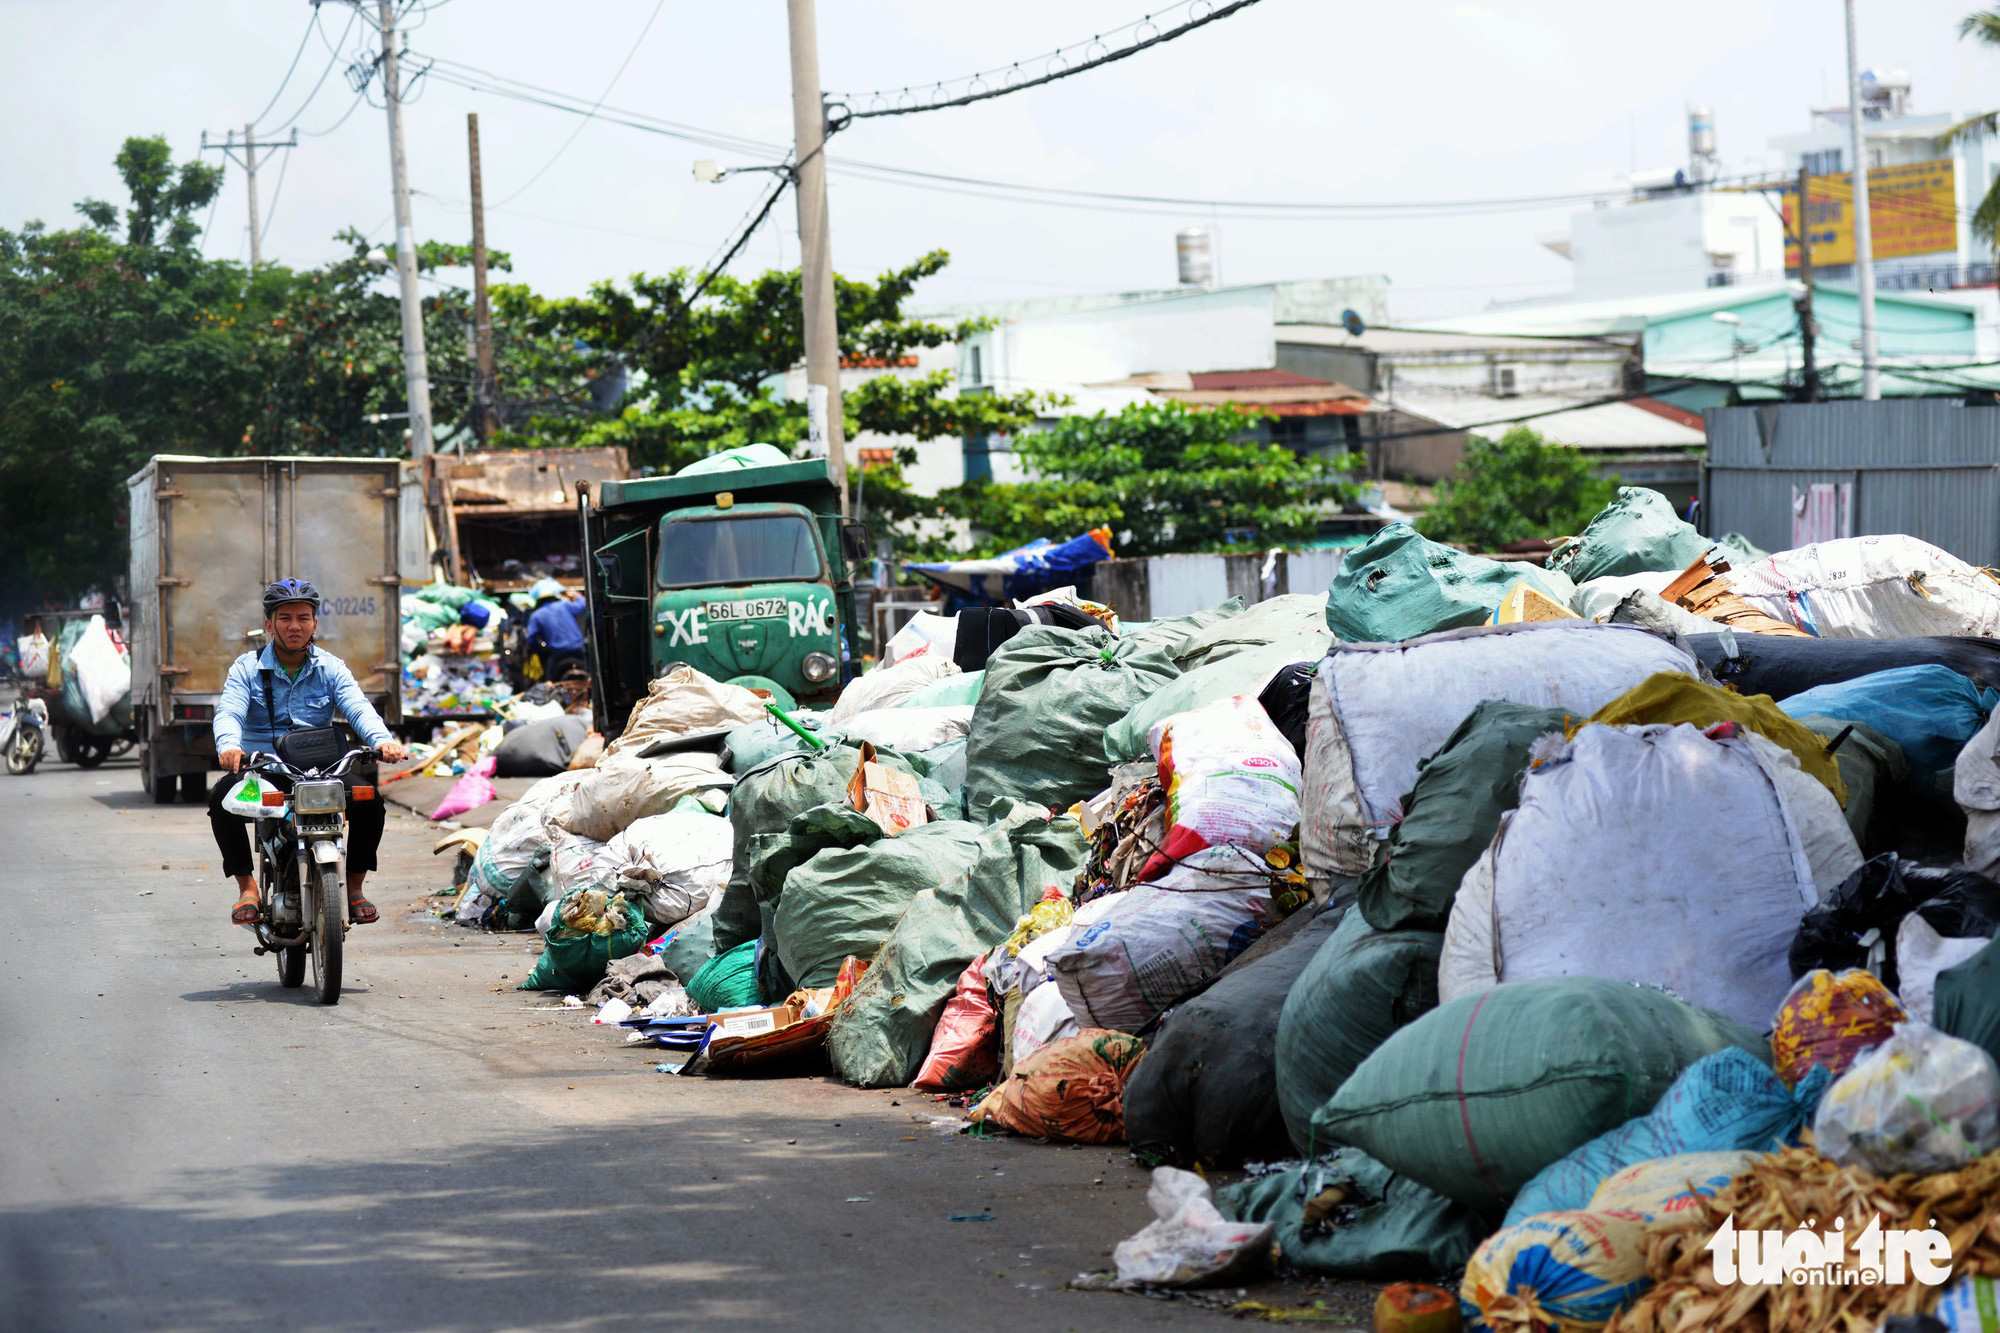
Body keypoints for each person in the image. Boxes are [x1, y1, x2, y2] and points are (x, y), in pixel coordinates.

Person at [209, 579, 408, 926]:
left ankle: (354, 888)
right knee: (221, 799)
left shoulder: (331, 667)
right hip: (264, 769)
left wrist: (382, 741)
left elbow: (358, 707)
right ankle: (247, 887)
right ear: (270, 624)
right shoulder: (246, 668)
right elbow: (229, 712)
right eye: (285, 618)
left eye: (303, 617)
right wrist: (229, 746)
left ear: (315, 623)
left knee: (370, 802)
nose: (295, 626)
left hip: (321, 769)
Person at [523, 578, 587, 680]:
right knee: (587, 677)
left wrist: (542, 648)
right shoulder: (564, 605)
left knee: (552, 682)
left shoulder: (536, 615)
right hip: (578, 649)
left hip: (558, 653)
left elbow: (530, 639)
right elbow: (583, 605)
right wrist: (577, 595)